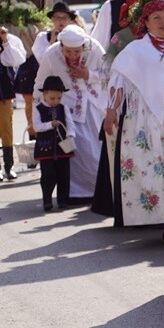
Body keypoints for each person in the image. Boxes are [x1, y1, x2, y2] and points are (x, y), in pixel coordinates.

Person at [98, 0, 164, 231]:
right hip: (148, 119)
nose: (163, 21)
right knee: (157, 166)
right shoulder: (135, 49)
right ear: (146, 23)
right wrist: (111, 111)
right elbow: (119, 80)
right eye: (156, 18)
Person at [33, 24, 106, 202]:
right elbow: (40, 82)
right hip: (65, 108)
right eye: (68, 51)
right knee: (71, 153)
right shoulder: (51, 54)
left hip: (92, 105)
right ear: (61, 47)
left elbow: (109, 72)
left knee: (94, 150)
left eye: (77, 51)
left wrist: (88, 74)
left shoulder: (95, 48)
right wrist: (36, 111)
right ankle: (73, 193)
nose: (73, 55)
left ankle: (98, 191)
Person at [18, 2, 81, 141]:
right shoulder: (43, 37)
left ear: (69, 20)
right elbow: (42, 59)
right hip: (49, 85)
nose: (61, 21)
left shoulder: (76, 38)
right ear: (52, 19)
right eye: (57, 18)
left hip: (68, 84)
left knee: (66, 118)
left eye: (64, 18)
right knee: (45, 116)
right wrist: (52, 42)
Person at [0, 0, 27, 181]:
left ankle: (9, 167)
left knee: (6, 128)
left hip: (4, 89)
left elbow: (16, 60)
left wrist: (6, 41)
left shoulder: (5, 37)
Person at [33, 75, 75, 211]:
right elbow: (37, 127)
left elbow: (70, 123)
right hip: (45, 148)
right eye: (52, 98)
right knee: (47, 175)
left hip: (63, 147)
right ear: (44, 95)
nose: (56, 101)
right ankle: (47, 200)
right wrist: (50, 124)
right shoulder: (38, 108)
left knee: (64, 174)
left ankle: (63, 200)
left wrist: (70, 135)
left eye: (59, 98)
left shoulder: (63, 108)